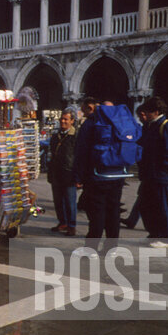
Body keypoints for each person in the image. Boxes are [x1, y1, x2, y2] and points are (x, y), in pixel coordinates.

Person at [73, 103, 135, 251]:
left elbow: (81, 151)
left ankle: (91, 248)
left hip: (97, 176)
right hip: (118, 174)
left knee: (96, 214)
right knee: (113, 212)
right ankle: (111, 248)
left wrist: (78, 176)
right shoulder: (120, 122)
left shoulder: (91, 123)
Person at [136, 97, 168, 249]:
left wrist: (162, 170)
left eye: (147, 112)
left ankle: (166, 238)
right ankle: (154, 234)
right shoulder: (150, 126)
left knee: (162, 206)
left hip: (161, 176)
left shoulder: (167, 126)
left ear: (156, 112)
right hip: (149, 175)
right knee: (145, 204)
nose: (145, 115)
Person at [47, 108, 79, 236]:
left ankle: (72, 225)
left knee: (70, 201)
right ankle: (63, 222)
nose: (63, 121)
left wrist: (78, 177)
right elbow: (51, 154)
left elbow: (79, 157)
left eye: (66, 119)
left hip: (69, 174)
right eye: (62, 119)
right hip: (56, 173)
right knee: (58, 200)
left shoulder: (76, 136)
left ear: (72, 121)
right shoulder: (56, 136)